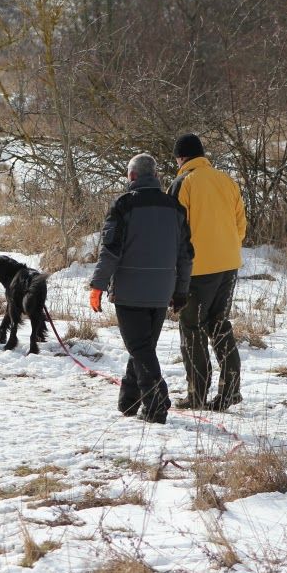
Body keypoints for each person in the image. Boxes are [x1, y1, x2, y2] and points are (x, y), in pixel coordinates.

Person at [89, 153, 193, 424]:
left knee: (140, 347)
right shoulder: (175, 207)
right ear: (156, 176)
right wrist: (181, 291)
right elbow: (186, 255)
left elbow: (110, 251)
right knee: (143, 347)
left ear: (132, 176)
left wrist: (97, 286)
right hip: (162, 291)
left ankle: (157, 404)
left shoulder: (123, 205)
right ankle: (129, 400)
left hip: (130, 292)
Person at [168, 133, 246, 411]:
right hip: (229, 265)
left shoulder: (183, 183)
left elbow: (174, 230)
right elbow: (240, 225)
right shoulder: (227, 180)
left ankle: (197, 394)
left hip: (197, 269)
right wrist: (227, 249)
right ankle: (230, 391)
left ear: (181, 157)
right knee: (219, 324)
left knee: (192, 329)